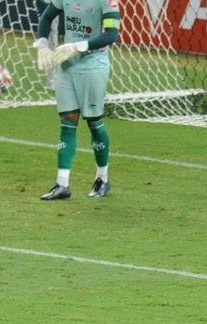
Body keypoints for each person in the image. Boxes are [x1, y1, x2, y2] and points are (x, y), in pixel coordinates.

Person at [33, 0, 120, 200]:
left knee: (94, 121)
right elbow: (46, 17)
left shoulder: (108, 2)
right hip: (67, 66)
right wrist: (43, 44)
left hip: (93, 66)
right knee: (68, 120)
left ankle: (102, 179)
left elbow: (111, 35)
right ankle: (62, 184)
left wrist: (81, 45)